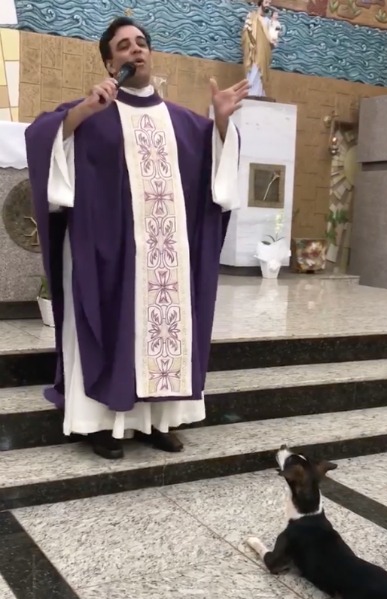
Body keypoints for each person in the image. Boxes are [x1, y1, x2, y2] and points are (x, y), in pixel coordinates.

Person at [25, 17, 247, 459]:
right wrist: (84, 110)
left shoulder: (185, 123)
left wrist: (221, 123)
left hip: (164, 260)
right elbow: (40, 140)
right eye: (124, 46)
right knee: (107, 325)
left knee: (159, 330)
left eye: (141, 43)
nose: (135, 51)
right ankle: (98, 425)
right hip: (104, 251)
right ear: (110, 61)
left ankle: (153, 420)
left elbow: (216, 181)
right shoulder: (90, 111)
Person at [242, 0, 282, 98]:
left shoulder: (268, 21)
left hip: (264, 52)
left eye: (270, 3)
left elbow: (272, 36)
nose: (268, 5)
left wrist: (274, 24)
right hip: (253, 51)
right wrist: (250, 43)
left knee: (260, 73)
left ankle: (258, 94)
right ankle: (250, 93)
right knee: (253, 70)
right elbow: (246, 33)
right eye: (266, 2)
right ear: (261, 2)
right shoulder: (252, 16)